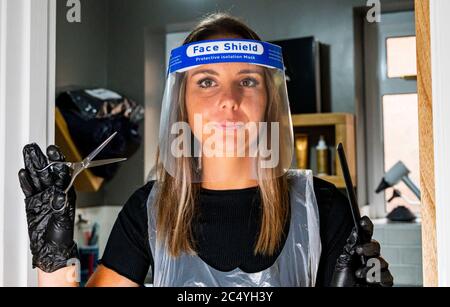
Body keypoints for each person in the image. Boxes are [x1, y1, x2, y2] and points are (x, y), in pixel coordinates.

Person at [18, 13, 393, 287]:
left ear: (269, 101)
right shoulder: (148, 211)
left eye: (247, 80)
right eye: (207, 81)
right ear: (182, 103)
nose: (229, 100)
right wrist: (52, 265)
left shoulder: (321, 207)